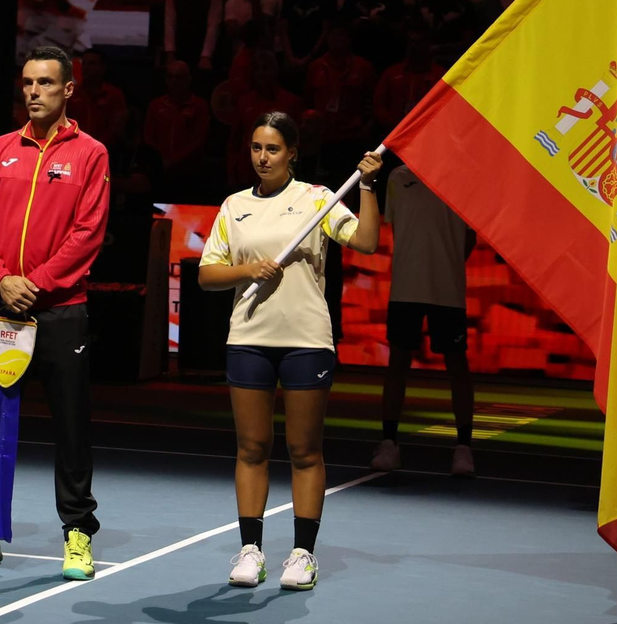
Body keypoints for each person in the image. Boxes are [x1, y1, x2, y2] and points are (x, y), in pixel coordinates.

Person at [0, 46, 110, 580]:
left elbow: (87, 234)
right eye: (28, 83)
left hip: (62, 312)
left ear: (68, 90)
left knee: (70, 428)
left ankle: (78, 535)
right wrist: (1, 279)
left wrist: (34, 285)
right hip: (3, 310)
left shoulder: (91, 154)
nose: (34, 91)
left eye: (45, 83)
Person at [198, 112, 383, 590]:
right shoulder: (234, 205)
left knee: (304, 450)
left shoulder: (318, 200)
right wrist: (248, 271)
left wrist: (366, 185)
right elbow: (207, 274)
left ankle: (302, 554)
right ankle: (250, 551)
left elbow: (365, 241)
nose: (263, 157)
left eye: (273, 149)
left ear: (292, 153)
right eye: (256, 147)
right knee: (252, 447)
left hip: (306, 341)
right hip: (249, 339)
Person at [371, 163, 477, 477]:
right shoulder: (397, 178)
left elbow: (468, 236)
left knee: (457, 366)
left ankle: (463, 448)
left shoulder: (463, 177)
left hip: (448, 291)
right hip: (406, 287)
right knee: (398, 363)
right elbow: (396, 227)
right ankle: (389, 443)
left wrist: (447, 266)